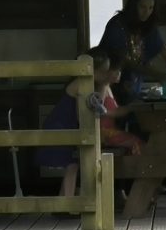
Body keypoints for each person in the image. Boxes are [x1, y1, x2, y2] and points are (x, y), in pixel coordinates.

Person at [36, 50, 140, 197]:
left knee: (72, 165)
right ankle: (67, 202)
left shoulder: (89, 84)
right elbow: (85, 113)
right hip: (61, 125)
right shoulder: (81, 84)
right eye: (102, 72)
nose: (105, 75)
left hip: (68, 126)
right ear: (92, 69)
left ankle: (65, 201)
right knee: (71, 165)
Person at [98, 0, 166, 97]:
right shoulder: (117, 24)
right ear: (134, 6)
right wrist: (156, 74)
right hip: (109, 89)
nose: (147, 12)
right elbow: (123, 60)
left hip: (133, 91)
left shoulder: (149, 28)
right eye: (142, 7)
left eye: (151, 8)